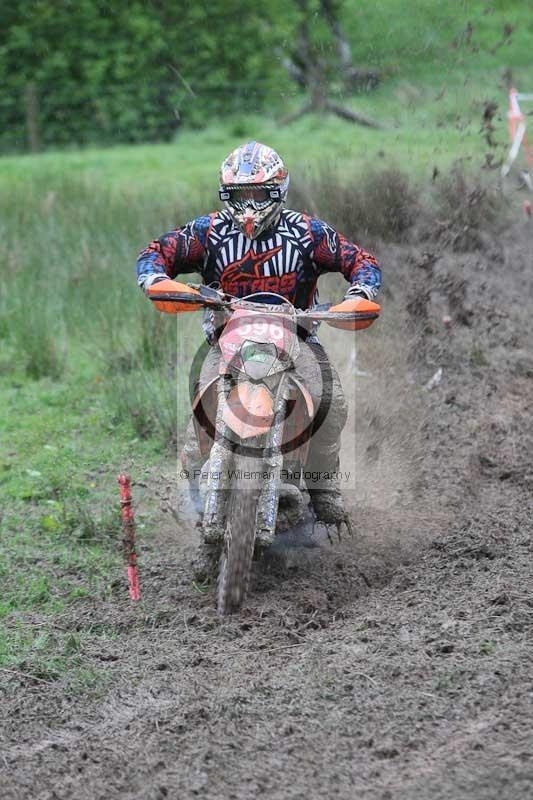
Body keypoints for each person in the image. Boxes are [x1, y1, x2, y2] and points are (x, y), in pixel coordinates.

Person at [136, 141, 381, 533]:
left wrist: (359, 294)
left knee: (331, 402)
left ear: (278, 192)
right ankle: (198, 486)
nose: (248, 205)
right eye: (239, 195)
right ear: (225, 194)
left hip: (297, 338)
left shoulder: (307, 233)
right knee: (201, 402)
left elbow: (361, 261)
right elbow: (155, 253)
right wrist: (157, 280)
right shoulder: (207, 232)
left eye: (258, 194)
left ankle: (323, 488)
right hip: (227, 339)